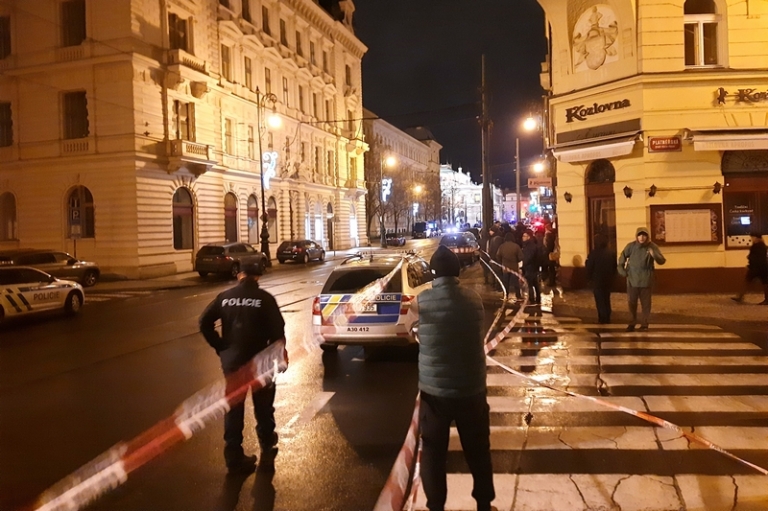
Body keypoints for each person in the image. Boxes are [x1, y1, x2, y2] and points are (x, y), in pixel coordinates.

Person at [416, 245, 495, 511]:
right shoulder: (473, 299)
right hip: (471, 390)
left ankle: (435, 505)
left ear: (433, 274)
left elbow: (415, 330)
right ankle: (484, 503)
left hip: (435, 393)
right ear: (457, 271)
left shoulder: (423, 301)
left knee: (433, 452)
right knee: (478, 450)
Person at [199, 261, 288, 474]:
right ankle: (267, 441)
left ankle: (233, 456)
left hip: (232, 363)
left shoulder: (225, 297)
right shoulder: (265, 299)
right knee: (264, 404)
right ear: (257, 277)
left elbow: (204, 322)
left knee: (234, 408)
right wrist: (279, 356)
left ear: (239, 275)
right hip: (260, 363)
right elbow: (278, 330)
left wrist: (221, 346)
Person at [617, 227, 666, 331]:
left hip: (646, 280)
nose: (642, 237)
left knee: (646, 304)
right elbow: (622, 258)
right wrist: (623, 272)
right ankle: (632, 323)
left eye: (644, 235)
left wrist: (654, 254)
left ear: (647, 236)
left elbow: (661, 260)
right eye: (640, 235)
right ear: (637, 236)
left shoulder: (652, 246)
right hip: (632, 279)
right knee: (632, 303)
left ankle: (644, 324)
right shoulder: (631, 246)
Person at [585, 234, 617, 323]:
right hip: (608, 280)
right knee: (606, 298)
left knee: (600, 299)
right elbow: (614, 267)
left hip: (597, 280)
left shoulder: (593, 253)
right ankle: (608, 315)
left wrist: (588, 278)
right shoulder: (611, 253)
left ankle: (602, 317)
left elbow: (589, 267)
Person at [731, 232, 768, 305]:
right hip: (763, 267)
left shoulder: (757, 246)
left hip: (756, 268)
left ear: (757, 238)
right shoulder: (762, 246)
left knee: (747, 281)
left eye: (753, 237)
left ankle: (740, 297)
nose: (752, 239)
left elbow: (755, 257)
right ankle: (767, 300)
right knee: (765, 283)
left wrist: (749, 260)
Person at [495, 232, 523, 302]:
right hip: (514, 268)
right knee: (516, 283)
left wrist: (502, 261)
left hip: (505, 268)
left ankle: (506, 296)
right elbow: (520, 257)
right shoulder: (516, 246)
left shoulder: (502, 246)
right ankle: (518, 296)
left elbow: (497, 256)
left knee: (505, 283)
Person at [521, 229, 541, 304]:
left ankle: (532, 299)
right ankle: (538, 298)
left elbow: (528, 257)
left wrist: (523, 265)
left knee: (529, 284)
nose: (523, 237)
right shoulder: (533, 245)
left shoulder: (529, 246)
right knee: (535, 284)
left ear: (528, 237)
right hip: (534, 267)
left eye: (524, 236)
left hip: (530, 267)